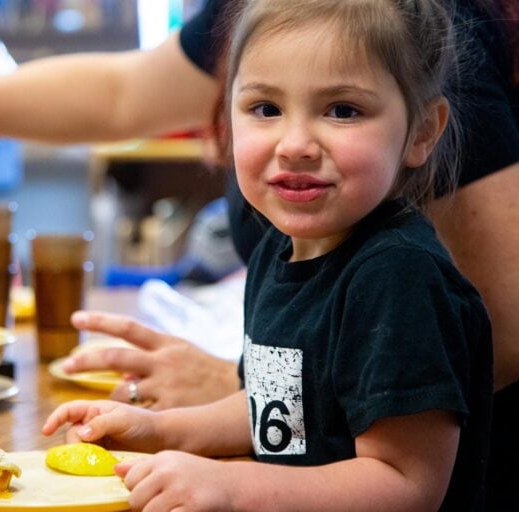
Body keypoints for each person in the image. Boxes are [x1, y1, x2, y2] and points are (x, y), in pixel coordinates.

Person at [42, 2, 492, 511]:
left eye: (343, 110)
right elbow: (281, 409)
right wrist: (161, 430)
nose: (295, 143)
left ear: (422, 131)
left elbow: (406, 486)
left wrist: (231, 489)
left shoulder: (399, 278)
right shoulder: (279, 250)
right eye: (266, 109)